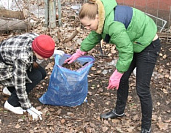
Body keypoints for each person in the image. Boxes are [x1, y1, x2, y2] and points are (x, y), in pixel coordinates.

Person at [64, 0, 161, 132]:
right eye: (85, 26)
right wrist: (80, 51)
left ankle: (146, 127)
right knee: (122, 80)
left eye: (88, 25)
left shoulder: (113, 25)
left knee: (142, 88)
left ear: (97, 17)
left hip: (148, 45)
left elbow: (126, 50)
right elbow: (95, 35)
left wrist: (118, 72)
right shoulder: (102, 18)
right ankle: (119, 111)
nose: (87, 28)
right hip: (133, 43)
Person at [0, 33, 64, 120]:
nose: (46, 59)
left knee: (42, 73)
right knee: (36, 76)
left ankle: (9, 90)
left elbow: (40, 50)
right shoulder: (22, 57)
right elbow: (19, 83)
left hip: (9, 62)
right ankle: (11, 103)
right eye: (44, 56)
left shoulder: (36, 39)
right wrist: (27, 106)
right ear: (35, 51)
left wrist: (50, 52)